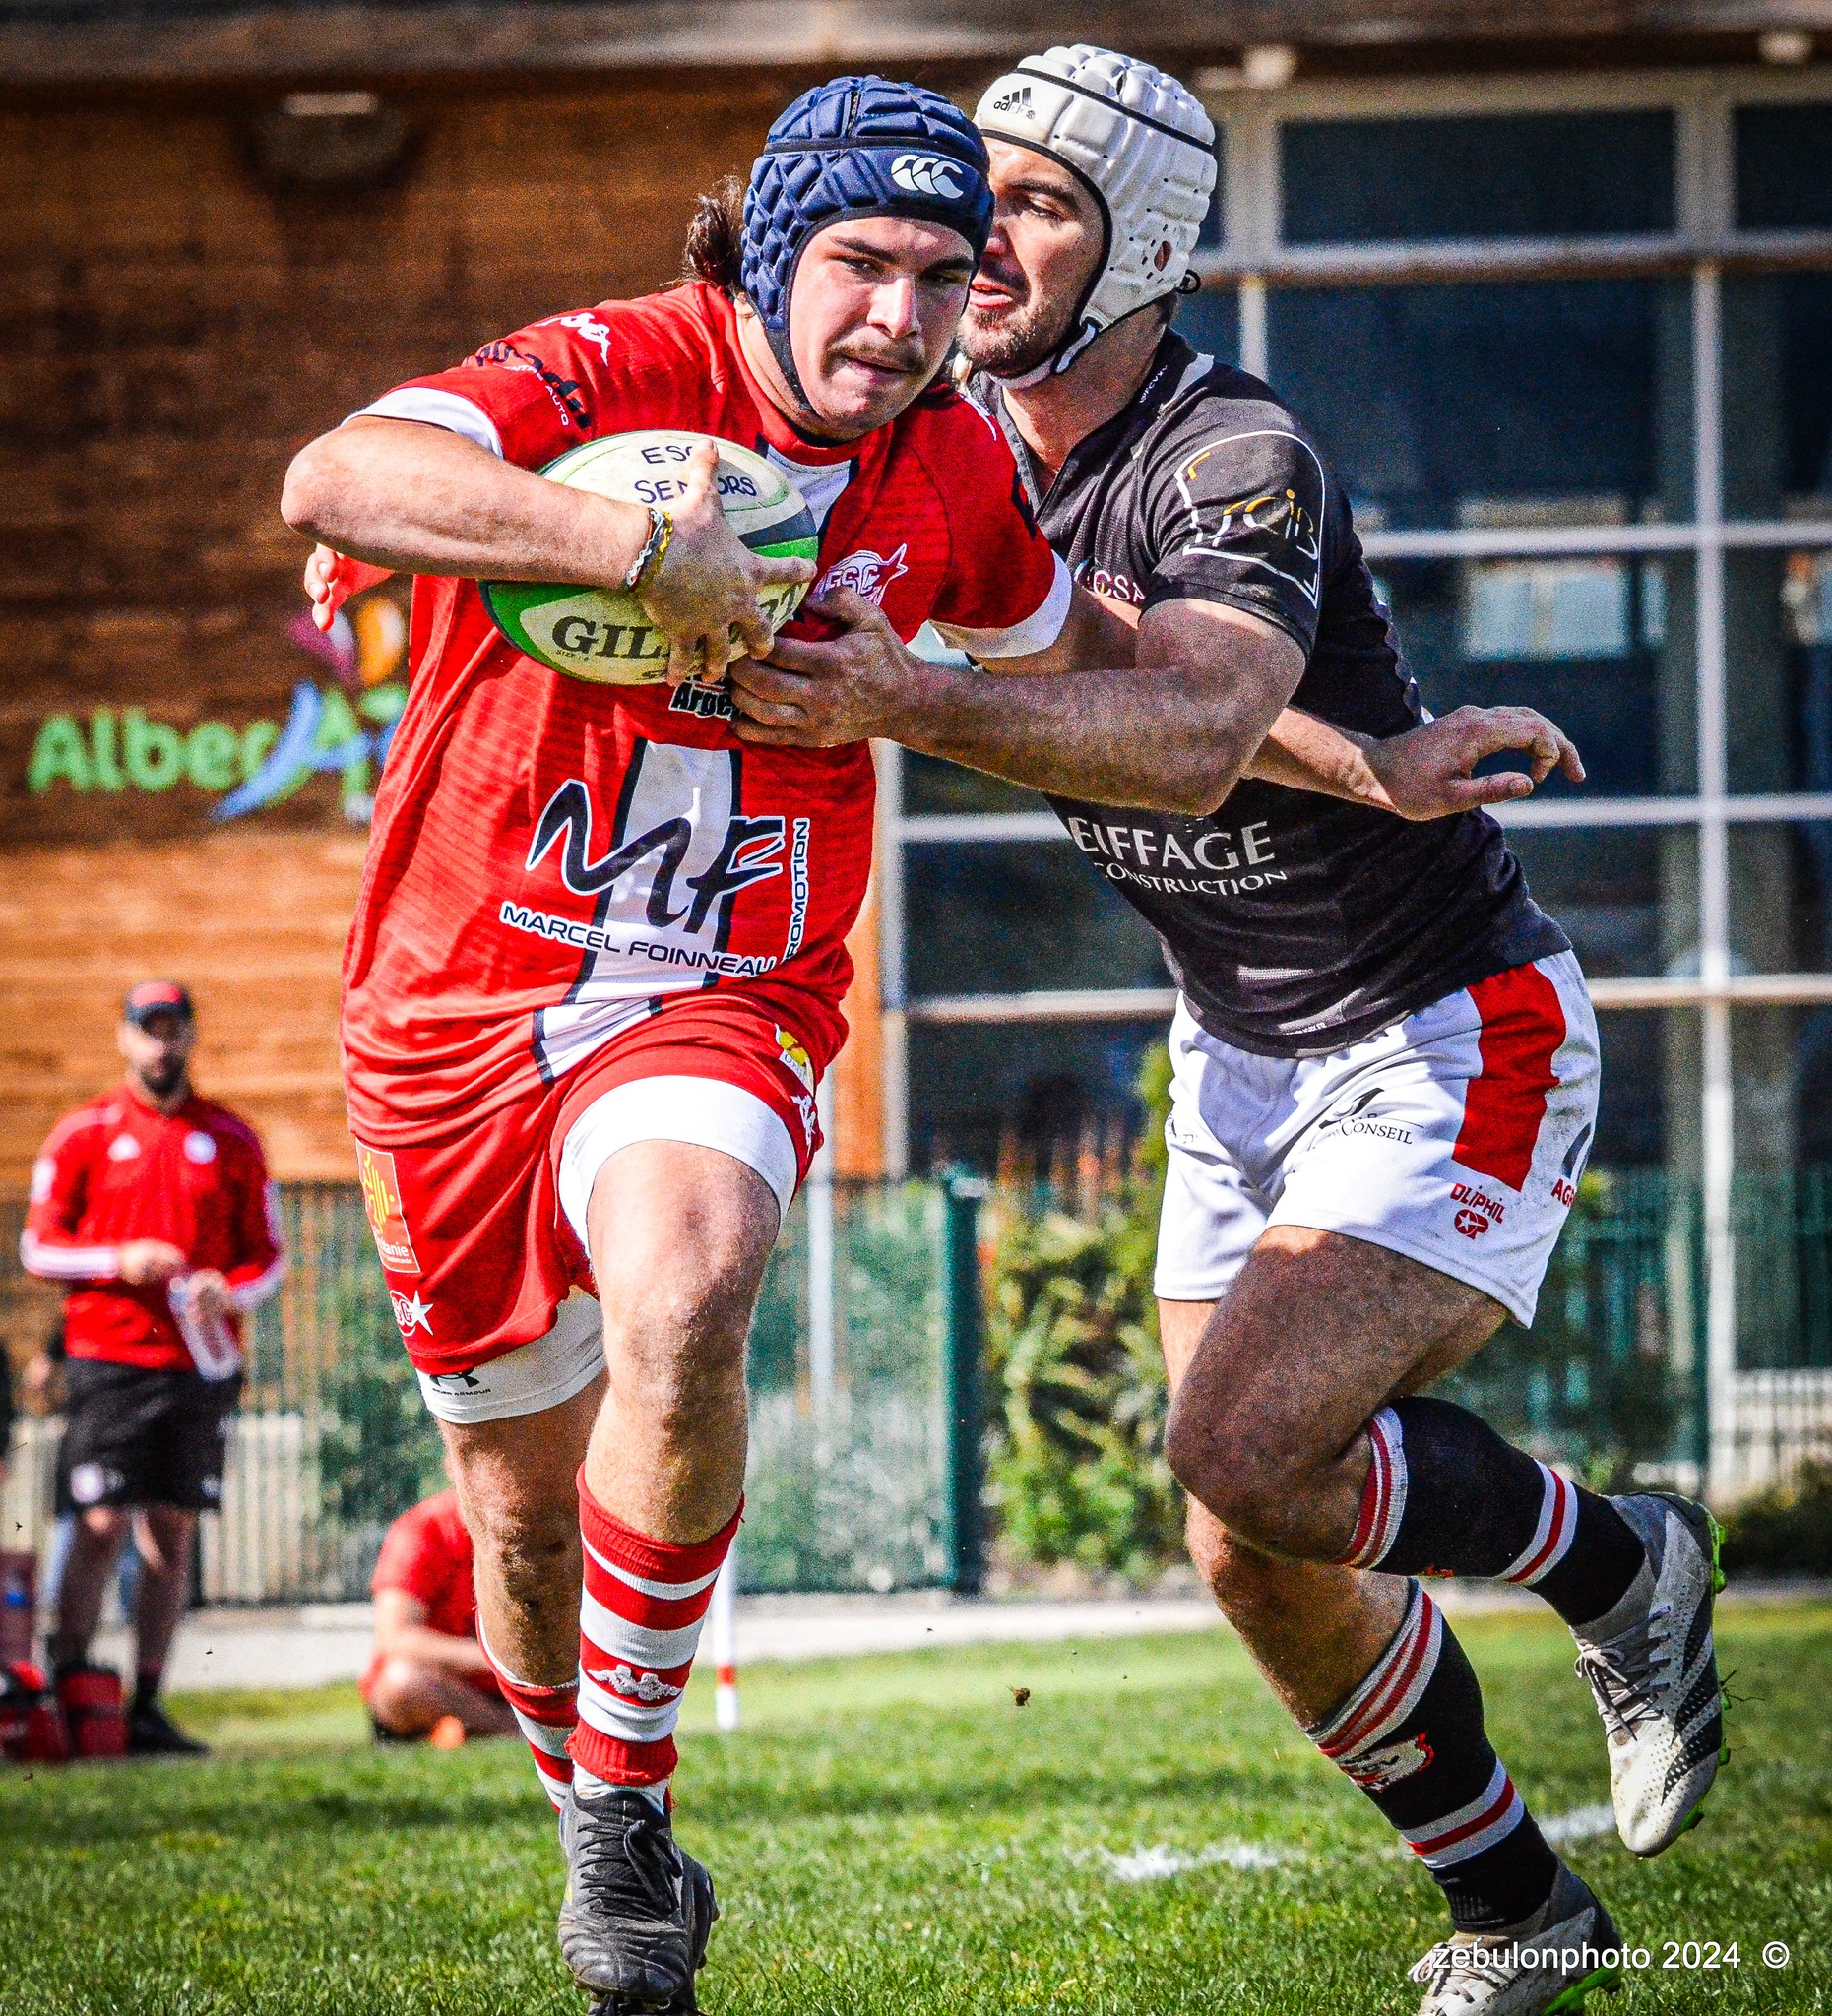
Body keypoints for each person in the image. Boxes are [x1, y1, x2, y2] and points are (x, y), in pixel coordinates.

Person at [726, 46, 1724, 2016]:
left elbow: (1179, 725)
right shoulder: (964, 446)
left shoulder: (1228, 450)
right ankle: (1522, 1910)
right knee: (1249, 1537)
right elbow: (1136, 670)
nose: (976, 245)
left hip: (1443, 1028)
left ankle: (1623, 1566)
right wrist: (1362, 755)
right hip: (1236, 1050)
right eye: (968, 201)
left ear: (1147, 238)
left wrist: (892, 702)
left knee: (1250, 1440)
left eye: (1034, 206)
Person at [280, 74, 1200, 2013]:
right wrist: (631, 552)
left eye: (944, 277)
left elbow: (1103, 673)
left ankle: (621, 1814)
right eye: (860, 262)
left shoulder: (952, 471)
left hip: (722, 979)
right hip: (459, 1002)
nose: (899, 314)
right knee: (519, 1520)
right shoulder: (614, 364)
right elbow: (337, 474)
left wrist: (1349, 745)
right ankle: (590, 1814)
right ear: (772, 247)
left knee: (689, 1294)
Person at [20, 979, 285, 1756]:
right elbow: (38, 1246)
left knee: (171, 1529)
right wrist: (118, 1260)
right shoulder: (83, 1133)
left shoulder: (232, 1138)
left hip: (198, 1366)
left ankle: (145, 1702)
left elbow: (268, 1257)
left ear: (193, 1038)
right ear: (125, 1039)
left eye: (175, 1030)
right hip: (108, 1359)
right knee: (99, 1523)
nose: (161, 1045)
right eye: (148, 1029)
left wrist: (225, 1288)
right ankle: (69, 1690)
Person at [362, 1482, 517, 1741]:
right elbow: (395, 1637)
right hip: (450, 1686)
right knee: (403, 1682)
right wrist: (496, 1661)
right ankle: (513, 1729)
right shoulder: (423, 1529)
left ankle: (479, 1730)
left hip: (515, 1686)